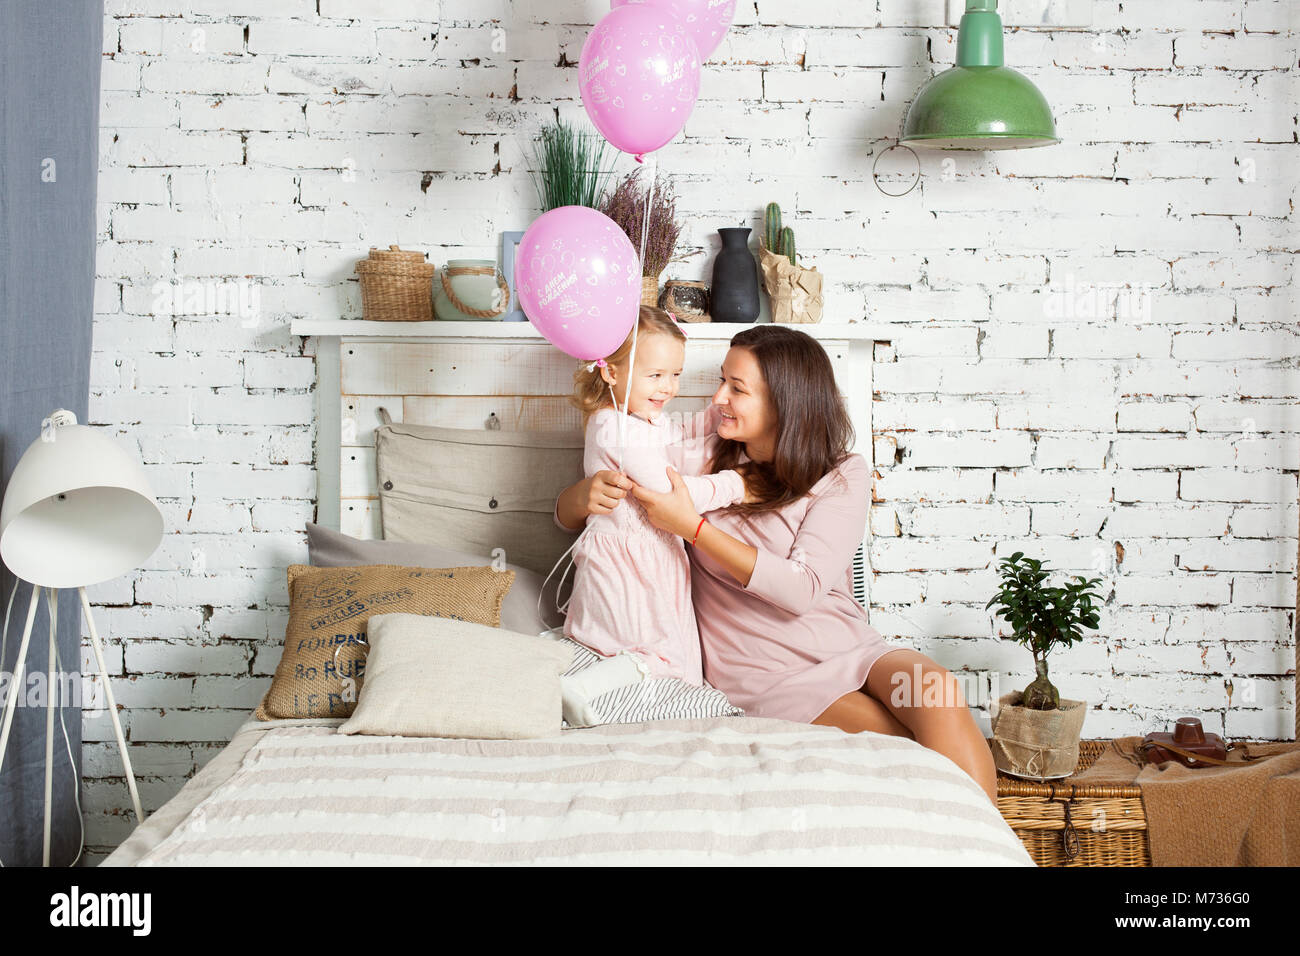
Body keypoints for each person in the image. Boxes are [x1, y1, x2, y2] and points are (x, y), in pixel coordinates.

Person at [554, 324, 999, 805]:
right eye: (721, 380)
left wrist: (695, 529)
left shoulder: (840, 471)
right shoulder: (696, 458)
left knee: (937, 691)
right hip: (762, 672)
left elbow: (801, 589)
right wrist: (579, 496)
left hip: (846, 644)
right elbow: (583, 506)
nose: (717, 397)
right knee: (901, 745)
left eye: (737, 389)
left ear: (786, 402)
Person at [551, 305, 752, 727]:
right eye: (656, 375)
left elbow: (676, 432)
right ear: (610, 373)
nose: (668, 388)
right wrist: (735, 484)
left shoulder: (639, 417)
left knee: (666, 649)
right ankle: (581, 689)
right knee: (654, 650)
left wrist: (719, 413)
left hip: (651, 556)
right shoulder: (613, 429)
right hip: (624, 561)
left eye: (675, 375)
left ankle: (604, 695)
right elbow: (669, 492)